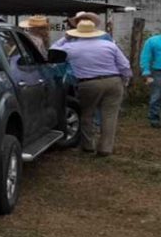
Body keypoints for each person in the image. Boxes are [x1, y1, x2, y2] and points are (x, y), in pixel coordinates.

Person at [54, 19, 131, 157]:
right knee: (110, 115)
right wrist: (125, 80)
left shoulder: (70, 47)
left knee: (87, 114)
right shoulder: (109, 45)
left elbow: (52, 51)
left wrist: (64, 38)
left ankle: (88, 146)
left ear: (76, 33)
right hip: (113, 80)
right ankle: (105, 148)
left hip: (88, 83)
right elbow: (124, 65)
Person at [140, 30, 161, 129]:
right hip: (157, 71)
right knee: (156, 96)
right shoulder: (152, 41)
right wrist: (146, 71)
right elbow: (146, 56)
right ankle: (154, 119)